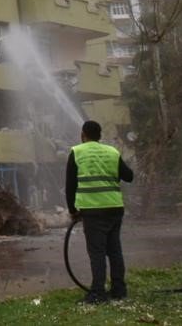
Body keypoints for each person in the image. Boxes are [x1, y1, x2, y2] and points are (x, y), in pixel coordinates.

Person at [66, 120, 134, 304]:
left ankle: (97, 293)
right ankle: (119, 290)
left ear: (83, 134)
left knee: (97, 252)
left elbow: (70, 186)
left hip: (93, 211)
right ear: (100, 135)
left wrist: (72, 210)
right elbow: (129, 176)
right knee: (114, 250)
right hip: (114, 208)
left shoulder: (77, 152)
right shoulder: (112, 152)